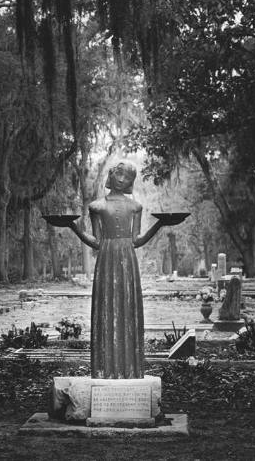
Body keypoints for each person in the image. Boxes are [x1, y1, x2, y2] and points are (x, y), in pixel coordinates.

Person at [69, 161, 161, 379]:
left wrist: (160, 225)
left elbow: (136, 240)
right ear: (112, 175)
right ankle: (104, 368)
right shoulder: (96, 207)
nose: (122, 179)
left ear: (131, 182)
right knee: (105, 304)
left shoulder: (135, 207)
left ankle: (130, 368)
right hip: (107, 256)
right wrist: (74, 228)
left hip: (127, 257)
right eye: (119, 174)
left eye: (127, 177)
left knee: (128, 304)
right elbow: (97, 241)